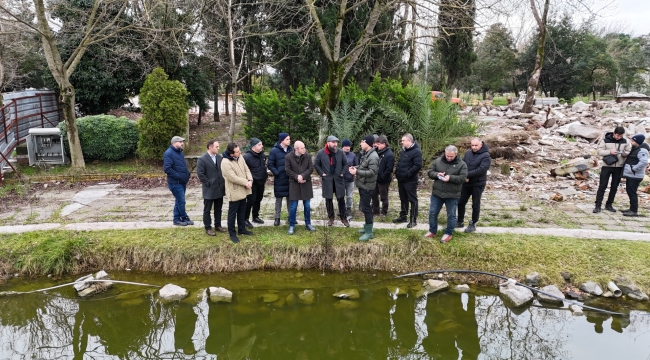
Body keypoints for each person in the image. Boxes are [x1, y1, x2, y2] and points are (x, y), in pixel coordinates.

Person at [426, 145, 468, 243]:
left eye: (451, 156)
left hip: (452, 195)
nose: (449, 158)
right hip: (437, 193)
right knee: (432, 213)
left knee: (451, 215)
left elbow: (463, 178)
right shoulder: (438, 161)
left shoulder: (462, 164)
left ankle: (448, 233)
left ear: (456, 154)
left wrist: (451, 178)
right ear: (445, 153)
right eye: (447, 155)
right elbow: (430, 172)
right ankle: (432, 231)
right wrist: (437, 174)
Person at [221, 143, 254, 243]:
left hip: (244, 188)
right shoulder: (225, 162)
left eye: (239, 150)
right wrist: (246, 182)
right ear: (231, 154)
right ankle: (232, 233)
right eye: (237, 151)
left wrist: (250, 179)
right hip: (234, 190)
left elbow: (246, 169)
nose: (240, 152)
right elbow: (232, 177)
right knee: (232, 213)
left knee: (242, 211)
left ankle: (242, 229)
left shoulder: (240, 157)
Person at [314, 135, 350, 227]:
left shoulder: (340, 152)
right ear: (328, 143)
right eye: (333, 142)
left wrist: (342, 173)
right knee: (328, 199)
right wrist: (322, 173)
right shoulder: (321, 153)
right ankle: (331, 218)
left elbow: (346, 164)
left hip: (338, 179)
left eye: (336, 142)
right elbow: (316, 164)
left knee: (341, 199)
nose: (335, 144)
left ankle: (343, 218)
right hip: (327, 180)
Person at [456, 137, 490, 233]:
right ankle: (460, 221)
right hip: (466, 183)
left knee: (475, 204)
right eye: (472, 145)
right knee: (461, 202)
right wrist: (463, 175)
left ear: (481, 144)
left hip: (478, 184)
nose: (474, 147)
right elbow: (462, 165)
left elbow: (481, 170)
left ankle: (473, 223)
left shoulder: (486, 156)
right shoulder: (468, 153)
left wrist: (467, 175)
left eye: (476, 145)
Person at [593, 127, 630, 213]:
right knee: (602, 186)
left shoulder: (625, 141)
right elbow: (599, 151)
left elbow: (629, 151)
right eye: (617, 135)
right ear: (614, 133)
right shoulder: (605, 140)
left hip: (619, 166)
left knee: (614, 187)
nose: (619, 137)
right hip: (607, 165)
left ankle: (609, 204)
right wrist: (610, 152)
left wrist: (624, 154)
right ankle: (598, 205)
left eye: (621, 136)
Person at [349, 135, 379, 241]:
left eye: (362, 142)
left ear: (368, 143)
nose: (360, 144)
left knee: (366, 208)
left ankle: (369, 232)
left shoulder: (373, 157)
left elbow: (372, 172)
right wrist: (355, 168)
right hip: (363, 185)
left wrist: (356, 172)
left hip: (367, 186)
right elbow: (363, 166)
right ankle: (367, 227)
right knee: (365, 207)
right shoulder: (366, 154)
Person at [285, 141, 317, 235]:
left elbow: (310, 168)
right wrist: (297, 177)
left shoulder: (307, 156)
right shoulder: (288, 157)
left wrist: (302, 176)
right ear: (296, 149)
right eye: (302, 148)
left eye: (304, 147)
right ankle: (292, 225)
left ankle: (308, 224)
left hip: (306, 183)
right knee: (293, 206)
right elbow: (287, 170)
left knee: (307, 205)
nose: (304, 149)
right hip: (294, 184)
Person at [196, 140, 227, 236]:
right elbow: (200, 174)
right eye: (216, 147)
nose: (218, 148)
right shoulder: (202, 159)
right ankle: (208, 227)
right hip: (209, 189)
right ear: (210, 147)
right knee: (207, 210)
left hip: (219, 188)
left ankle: (218, 225)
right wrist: (208, 183)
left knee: (218, 208)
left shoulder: (219, 157)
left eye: (218, 146)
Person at [393, 133, 423, 228]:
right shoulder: (404, 151)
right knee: (403, 198)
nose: (401, 142)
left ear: (409, 141)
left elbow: (417, 165)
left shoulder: (416, 151)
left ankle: (413, 219)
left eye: (403, 140)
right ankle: (403, 216)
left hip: (410, 180)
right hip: (401, 179)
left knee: (412, 200)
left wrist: (407, 174)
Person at [163, 136, 193, 226]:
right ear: (174, 143)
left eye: (182, 142)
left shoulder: (180, 152)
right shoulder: (169, 153)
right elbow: (167, 169)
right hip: (175, 183)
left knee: (179, 201)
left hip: (182, 182)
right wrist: (179, 176)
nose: (182, 143)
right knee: (181, 201)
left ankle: (177, 219)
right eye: (180, 142)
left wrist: (187, 174)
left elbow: (183, 166)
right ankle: (183, 217)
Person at [268, 132, 293, 226]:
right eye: (287, 139)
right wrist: (277, 173)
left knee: (290, 199)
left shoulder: (291, 150)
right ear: (282, 140)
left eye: (289, 139)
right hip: (280, 179)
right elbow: (270, 164)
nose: (289, 141)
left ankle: (291, 217)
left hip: (290, 179)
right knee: (279, 199)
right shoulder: (274, 151)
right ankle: (277, 218)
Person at [621, 134, 649, 217]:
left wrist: (634, 169)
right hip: (632, 175)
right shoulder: (636, 149)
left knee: (632, 192)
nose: (631, 142)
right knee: (630, 191)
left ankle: (634, 211)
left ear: (637, 142)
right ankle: (631, 209)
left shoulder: (642, 150)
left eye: (633, 141)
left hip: (635, 175)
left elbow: (643, 162)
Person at [244, 137, 268, 228]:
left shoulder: (262, 155)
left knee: (258, 199)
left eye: (261, 144)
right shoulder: (247, 157)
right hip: (252, 183)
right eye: (259, 144)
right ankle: (245, 219)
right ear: (254, 147)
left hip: (261, 182)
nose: (262, 146)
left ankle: (255, 216)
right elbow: (243, 171)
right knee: (251, 200)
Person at [371, 135, 394, 216]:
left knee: (383, 197)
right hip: (375, 179)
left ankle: (384, 212)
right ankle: (375, 210)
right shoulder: (376, 152)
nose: (377, 145)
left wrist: (382, 176)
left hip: (384, 180)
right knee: (374, 195)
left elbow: (389, 169)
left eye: (379, 144)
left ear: (384, 144)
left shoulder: (389, 154)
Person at [342, 139, 359, 220]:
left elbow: (357, 165)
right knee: (340, 196)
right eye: (345, 146)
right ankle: (341, 209)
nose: (347, 148)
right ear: (342, 147)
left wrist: (353, 168)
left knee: (349, 196)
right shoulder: (338, 154)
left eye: (348, 146)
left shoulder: (353, 155)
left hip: (350, 179)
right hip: (341, 180)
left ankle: (348, 209)